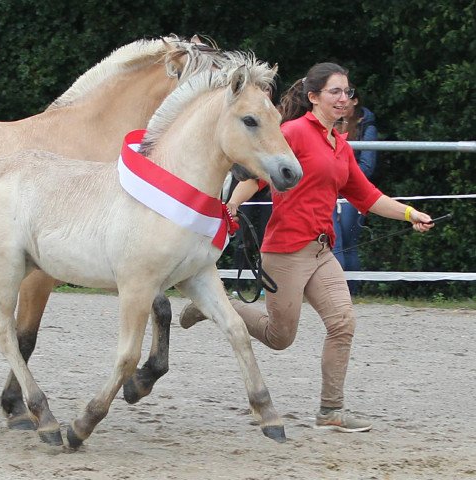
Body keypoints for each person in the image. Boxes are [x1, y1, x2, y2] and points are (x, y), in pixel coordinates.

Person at [179, 62, 435, 433]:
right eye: (334, 91)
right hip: (285, 251)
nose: (343, 99)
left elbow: (367, 195)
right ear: (313, 97)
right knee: (279, 337)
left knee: (343, 323)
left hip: (321, 252)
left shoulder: (340, 146)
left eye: (347, 92)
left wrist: (410, 213)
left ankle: (330, 411)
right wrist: (231, 205)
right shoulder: (294, 132)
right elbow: (256, 173)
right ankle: (213, 306)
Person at [332, 85, 378, 295]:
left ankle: (351, 290)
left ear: (355, 101)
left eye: (347, 98)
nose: (342, 103)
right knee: (336, 240)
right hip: (332, 190)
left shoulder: (367, 128)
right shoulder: (333, 124)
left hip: (352, 191)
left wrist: (343, 179)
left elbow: (367, 165)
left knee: (348, 242)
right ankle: (338, 290)